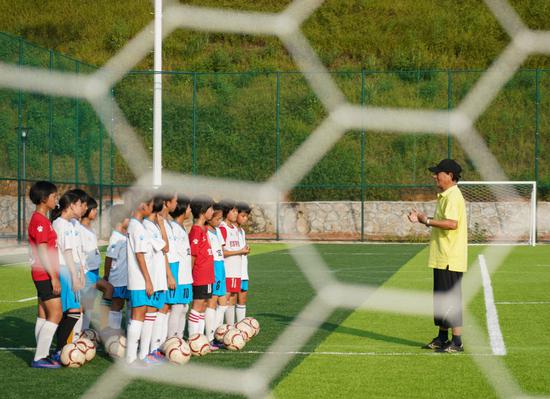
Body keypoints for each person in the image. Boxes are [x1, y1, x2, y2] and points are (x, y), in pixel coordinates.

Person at [408, 159, 468, 353]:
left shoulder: (453, 196)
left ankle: (457, 341)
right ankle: (442, 338)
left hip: (450, 258)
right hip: (442, 257)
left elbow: (452, 223)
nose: (435, 176)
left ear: (450, 175)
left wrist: (426, 220)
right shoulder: (445, 196)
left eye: (438, 173)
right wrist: (423, 220)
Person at [28, 181, 62, 368]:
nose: (56, 199)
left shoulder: (42, 219)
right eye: (54, 196)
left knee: (43, 313)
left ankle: (43, 353)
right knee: (56, 312)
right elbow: (42, 250)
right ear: (43, 199)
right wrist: (54, 276)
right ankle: (39, 357)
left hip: (42, 273)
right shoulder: (40, 221)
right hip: (44, 274)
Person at [51, 191, 84, 359]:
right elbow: (67, 252)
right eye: (79, 204)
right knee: (72, 311)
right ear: (71, 205)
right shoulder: (60, 224)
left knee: (71, 311)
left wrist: (80, 271)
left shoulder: (69, 224)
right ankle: (59, 349)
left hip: (71, 269)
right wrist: (75, 275)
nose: (82, 208)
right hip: (64, 270)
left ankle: (61, 347)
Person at [80, 197, 114, 333]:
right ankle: (104, 327)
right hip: (86, 271)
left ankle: (84, 331)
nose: (95, 212)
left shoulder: (91, 229)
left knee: (88, 304)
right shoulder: (79, 229)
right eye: (93, 209)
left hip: (94, 270)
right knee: (108, 289)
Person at [187, 195, 215, 336]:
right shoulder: (196, 230)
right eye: (210, 208)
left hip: (208, 275)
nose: (213, 211)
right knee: (197, 306)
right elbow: (192, 254)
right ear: (203, 210)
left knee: (203, 305)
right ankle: (193, 338)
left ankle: (200, 337)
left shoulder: (204, 229)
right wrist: (190, 276)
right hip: (199, 276)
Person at [219, 199, 249, 325]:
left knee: (231, 298)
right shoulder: (223, 228)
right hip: (227, 270)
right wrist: (239, 251)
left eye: (237, 211)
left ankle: (230, 328)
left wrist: (242, 251)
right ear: (227, 212)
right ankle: (219, 329)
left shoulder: (236, 230)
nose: (236, 213)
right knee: (223, 301)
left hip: (236, 271)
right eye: (234, 211)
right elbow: (221, 252)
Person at [168, 195, 193, 339]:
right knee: (177, 308)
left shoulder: (181, 227)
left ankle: (178, 337)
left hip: (186, 276)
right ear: (183, 209)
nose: (190, 210)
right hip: (179, 276)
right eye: (188, 207)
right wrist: (172, 276)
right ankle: (171, 339)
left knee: (184, 308)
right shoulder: (174, 229)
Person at [103, 204, 130, 333]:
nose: (129, 220)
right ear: (121, 219)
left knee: (130, 305)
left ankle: (129, 333)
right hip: (118, 279)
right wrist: (106, 277)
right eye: (127, 217)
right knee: (117, 305)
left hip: (127, 279)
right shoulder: (115, 237)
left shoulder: (125, 236)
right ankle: (113, 334)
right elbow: (109, 258)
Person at [206, 202, 227, 348]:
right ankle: (209, 336)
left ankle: (216, 334)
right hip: (213, 266)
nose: (220, 221)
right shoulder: (206, 232)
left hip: (220, 266)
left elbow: (221, 250)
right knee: (212, 302)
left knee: (223, 303)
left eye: (221, 219)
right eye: (218, 219)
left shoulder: (217, 231)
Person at [236, 202, 251, 323]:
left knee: (243, 297)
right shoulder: (225, 228)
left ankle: (241, 326)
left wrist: (245, 250)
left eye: (247, 216)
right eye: (243, 215)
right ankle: (228, 327)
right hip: (233, 270)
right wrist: (240, 250)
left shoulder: (241, 231)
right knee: (229, 299)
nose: (245, 219)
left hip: (243, 270)